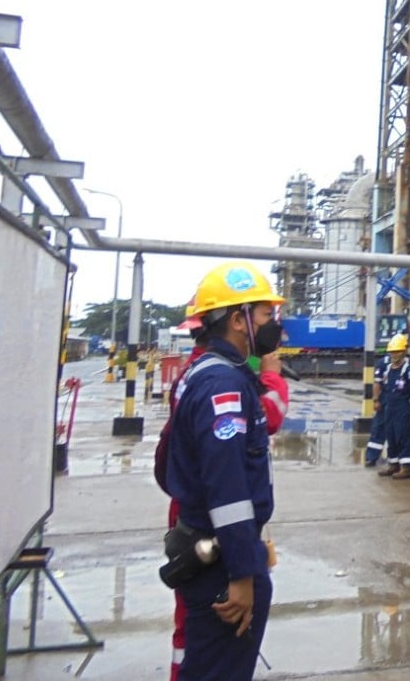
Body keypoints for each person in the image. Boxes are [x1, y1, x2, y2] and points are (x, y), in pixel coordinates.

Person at [165, 262, 286, 681]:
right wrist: (242, 572)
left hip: (215, 548)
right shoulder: (223, 386)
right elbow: (228, 490)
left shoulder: (215, 373)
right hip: (220, 563)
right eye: (267, 314)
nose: (275, 326)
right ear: (238, 320)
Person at [376, 334, 410, 479]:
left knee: (403, 436)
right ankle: (393, 464)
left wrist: (409, 405)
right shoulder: (388, 369)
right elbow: (383, 386)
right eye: (392, 352)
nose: (394, 355)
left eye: (397, 352)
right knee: (391, 435)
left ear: (403, 352)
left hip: (403, 408)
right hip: (390, 407)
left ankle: (406, 467)